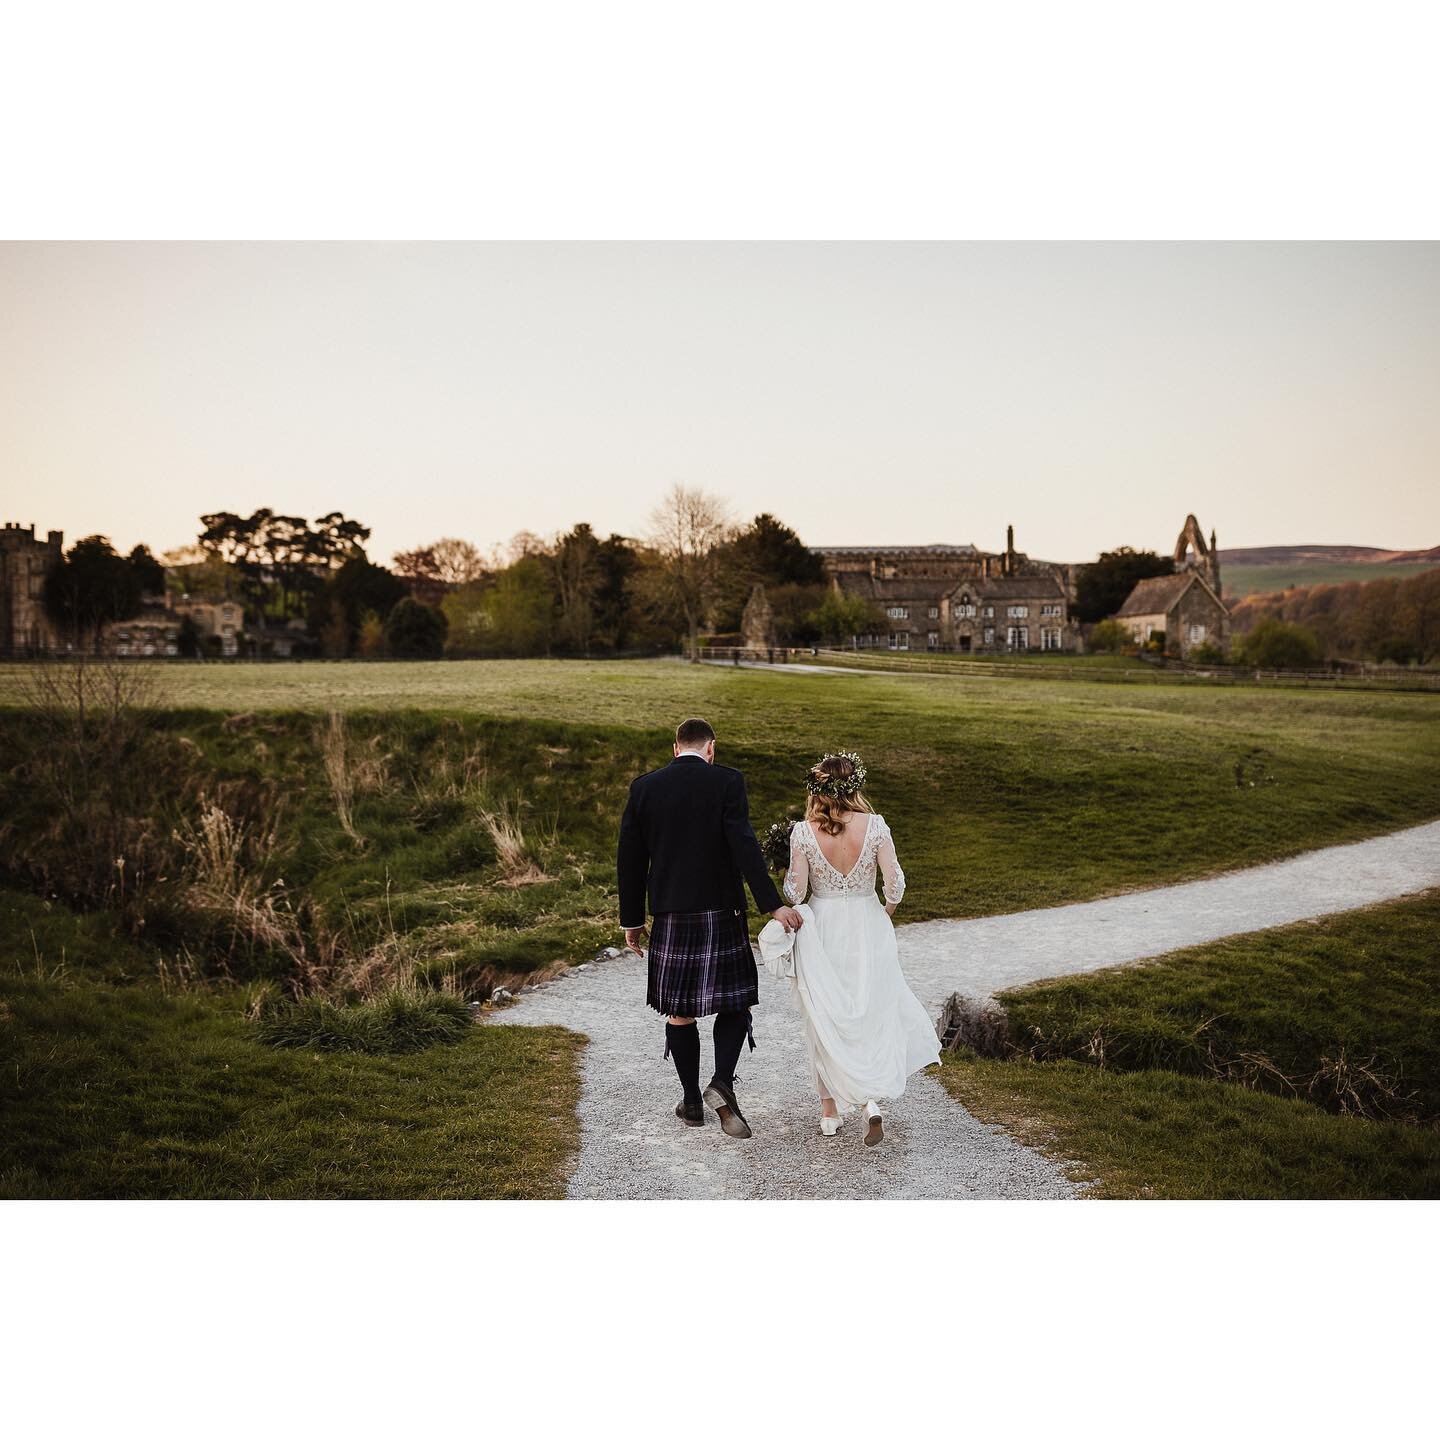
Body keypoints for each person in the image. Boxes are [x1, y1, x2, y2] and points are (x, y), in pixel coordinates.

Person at [617, 717, 803, 1135]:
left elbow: (629, 859)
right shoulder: (727, 782)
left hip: (671, 915)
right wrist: (772, 905)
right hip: (722, 911)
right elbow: (743, 846)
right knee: (733, 1002)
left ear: (675, 748)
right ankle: (720, 1083)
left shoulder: (644, 788)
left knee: (679, 1012)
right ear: (711, 748)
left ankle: (690, 1101)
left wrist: (632, 920)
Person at [775, 751, 940, 1146]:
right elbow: (895, 882)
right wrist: (885, 910)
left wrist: (789, 866)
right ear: (855, 785)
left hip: (824, 928)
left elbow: (794, 892)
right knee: (869, 1011)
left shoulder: (804, 831)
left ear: (817, 789)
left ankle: (829, 1112)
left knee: (825, 1016)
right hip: (868, 923)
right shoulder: (876, 825)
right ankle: (870, 1103)